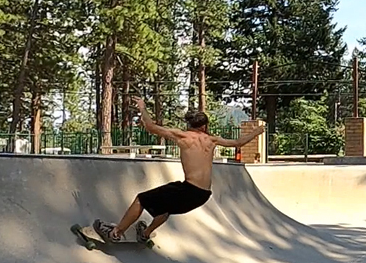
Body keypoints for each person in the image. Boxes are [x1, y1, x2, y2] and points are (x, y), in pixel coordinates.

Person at [94, 97, 266, 242]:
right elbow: (238, 143)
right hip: (203, 195)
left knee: (141, 199)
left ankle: (115, 233)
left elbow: (151, 127)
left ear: (189, 124)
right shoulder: (212, 140)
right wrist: (257, 132)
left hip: (189, 190)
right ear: (205, 126)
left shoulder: (182, 136)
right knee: (165, 207)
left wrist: (143, 108)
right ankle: (145, 234)